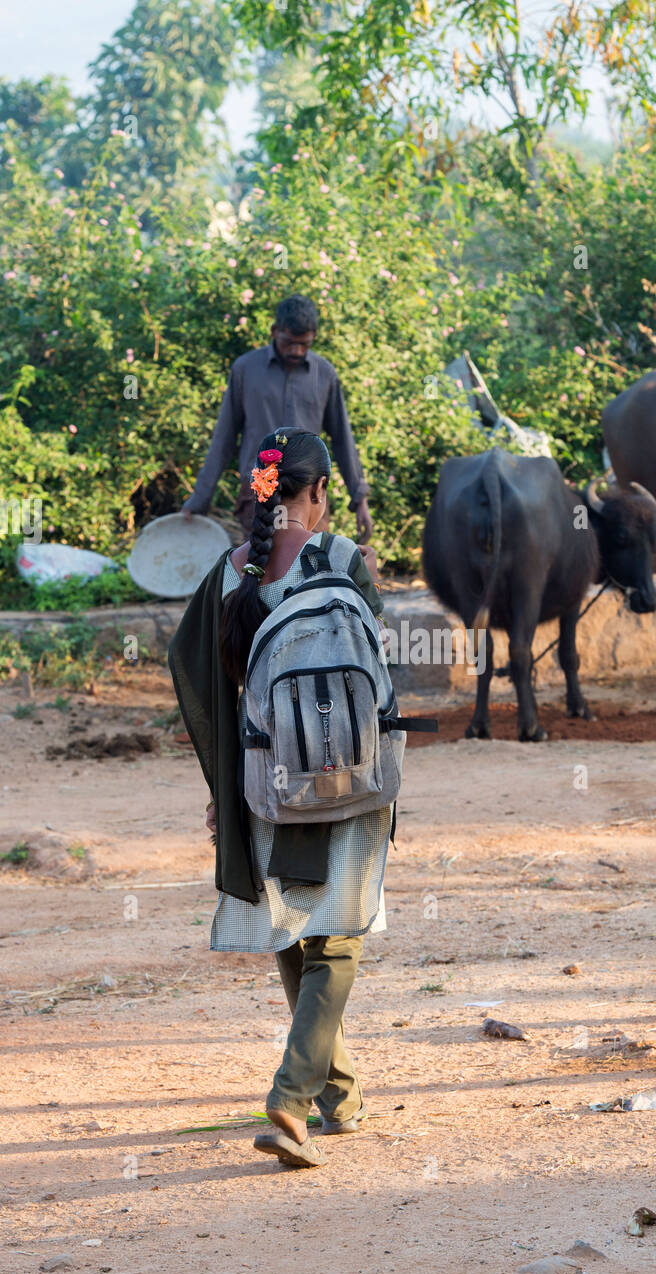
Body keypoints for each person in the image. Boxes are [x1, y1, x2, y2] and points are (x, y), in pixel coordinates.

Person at [168, 428, 389, 1168]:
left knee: (296, 928)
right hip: (347, 775)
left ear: (260, 493)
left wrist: (219, 788)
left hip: (264, 779)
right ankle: (290, 1101)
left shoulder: (230, 572)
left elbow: (196, 675)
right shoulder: (344, 561)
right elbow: (372, 669)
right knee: (340, 938)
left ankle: (341, 1098)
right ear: (319, 491)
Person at [181, 294, 373, 543]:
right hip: (258, 493)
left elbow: (342, 440)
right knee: (260, 573)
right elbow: (224, 438)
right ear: (274, 331)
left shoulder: (324, 374)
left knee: (310, 571)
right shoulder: (246, 369)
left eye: (304, 344)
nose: (296, 351)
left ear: (314, 335)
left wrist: (360, 500)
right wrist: (199, 499)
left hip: (309, 496)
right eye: (289, 342)